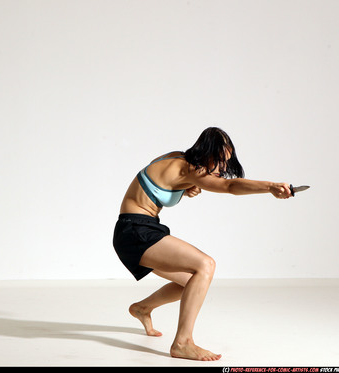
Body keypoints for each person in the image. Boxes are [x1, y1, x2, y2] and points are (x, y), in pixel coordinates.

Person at [113, 127, 292, 361]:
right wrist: (269, 187)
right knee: (205, 265)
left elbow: (156, 183)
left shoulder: (177, 158)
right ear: (207, 152)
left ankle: (142, 308)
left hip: (138, 228)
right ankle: (182, 343)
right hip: (135, 231)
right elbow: (230, 186)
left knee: (191, 283)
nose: (223, 168)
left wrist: (184, 190)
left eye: (226, 162)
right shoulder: (192, 169)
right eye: (220, 161)